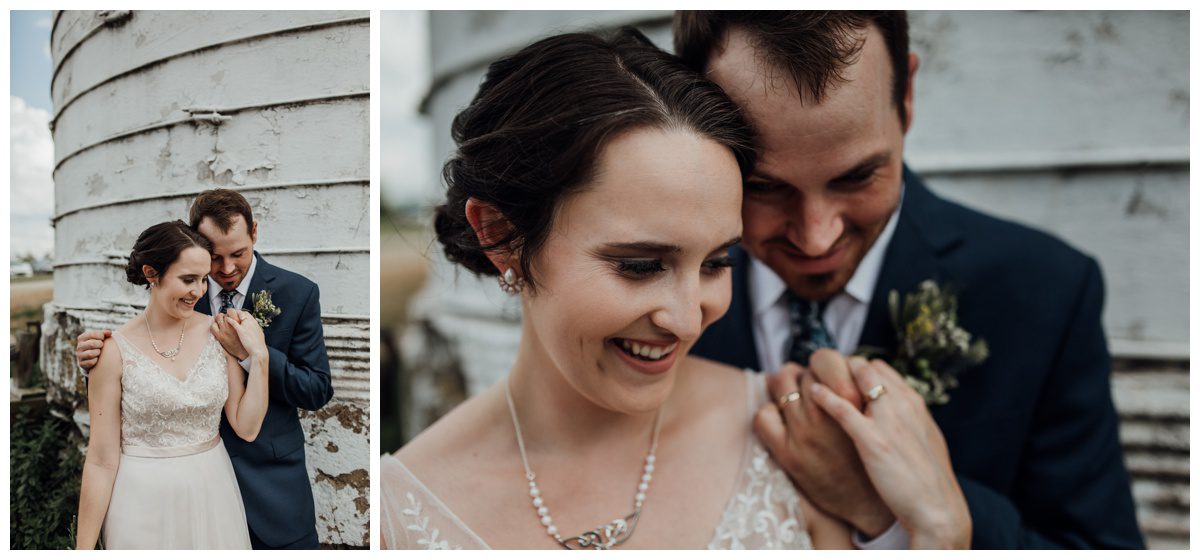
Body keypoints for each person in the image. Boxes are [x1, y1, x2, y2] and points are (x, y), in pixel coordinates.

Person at [380, 28, 962, 550]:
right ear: (502, 234)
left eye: (716, 262)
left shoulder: (794, 441)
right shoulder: (394, 516)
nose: (687, 321)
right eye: (640, 265)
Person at [676, 11, 1144, 549]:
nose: (816, 237)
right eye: (764, 187)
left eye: (857, 176)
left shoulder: (1044, 291)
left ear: (908, 96)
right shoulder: (656, 304)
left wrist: (889, 508)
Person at [75, 189, 335, 549]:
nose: (225, 270)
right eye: (215, 258)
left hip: (268, 492)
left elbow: (317, 389)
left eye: (238, 254)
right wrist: (97, 361)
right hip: (151, 501)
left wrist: (254, 355)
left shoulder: (298, 293)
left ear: (254, 233)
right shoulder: (173, 293)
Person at [76, 220, 269, 549]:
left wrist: (260, 357)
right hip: (139, 503)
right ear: (152, 274)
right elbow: (100, 460)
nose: (199, 291)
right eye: (188, 279)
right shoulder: (112, 352)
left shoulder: (219, 333)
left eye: (203, 279)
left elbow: (247, 427)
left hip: (212, 493)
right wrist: (83, 550)